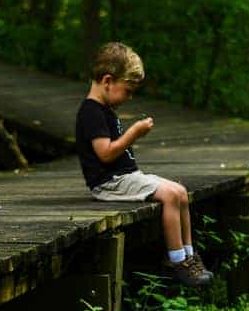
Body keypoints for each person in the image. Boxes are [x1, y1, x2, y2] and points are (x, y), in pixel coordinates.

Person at [75, 42, 212, 287]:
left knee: (180, 192)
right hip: (109, 183)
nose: (129, 97)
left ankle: (190, 256)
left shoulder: (105, 108)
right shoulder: (91, 112)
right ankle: (177, 260)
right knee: (170, 196)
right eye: (127, 90)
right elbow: (105, 154)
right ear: (107, 81)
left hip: (125, 177)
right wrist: (134, 133)